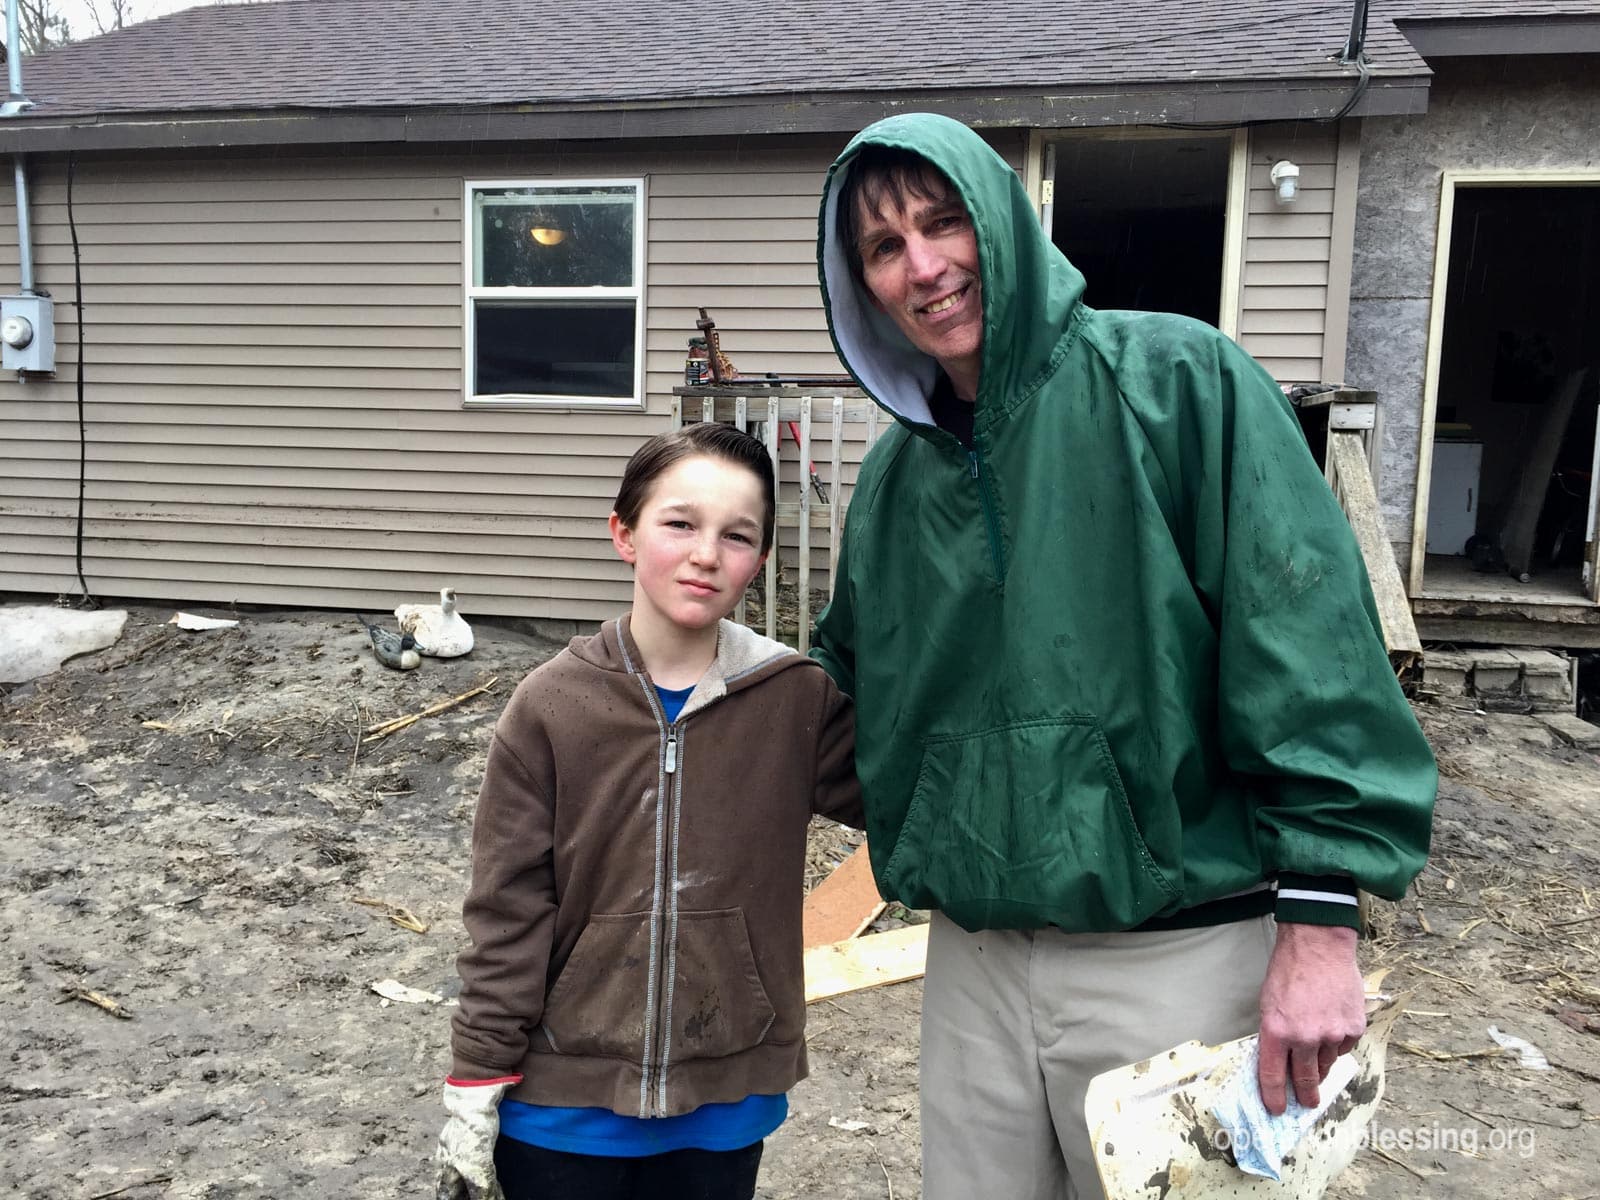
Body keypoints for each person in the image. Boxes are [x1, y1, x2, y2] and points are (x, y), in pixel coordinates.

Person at [809, 113, 1437, 1200]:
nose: (924, 266)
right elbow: (859, 707)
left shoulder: (1180, 382)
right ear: (858, 284)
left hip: (1179, 957)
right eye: (882, 247)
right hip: (976, 961)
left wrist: (1322, 925)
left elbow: (1308, 649)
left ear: (1000, 221)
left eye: (943, 221)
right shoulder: (893, 484)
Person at [435, 421, 862, 1200]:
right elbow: (508, 904)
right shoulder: (551, 705)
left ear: (759, 560)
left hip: (725, 1099)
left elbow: (909, 790)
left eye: (738, 535)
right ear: (624, 533)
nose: (707, 553)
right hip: (562, 1101)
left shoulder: (795, 700)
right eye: (680, 523)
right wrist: (479, 1067)